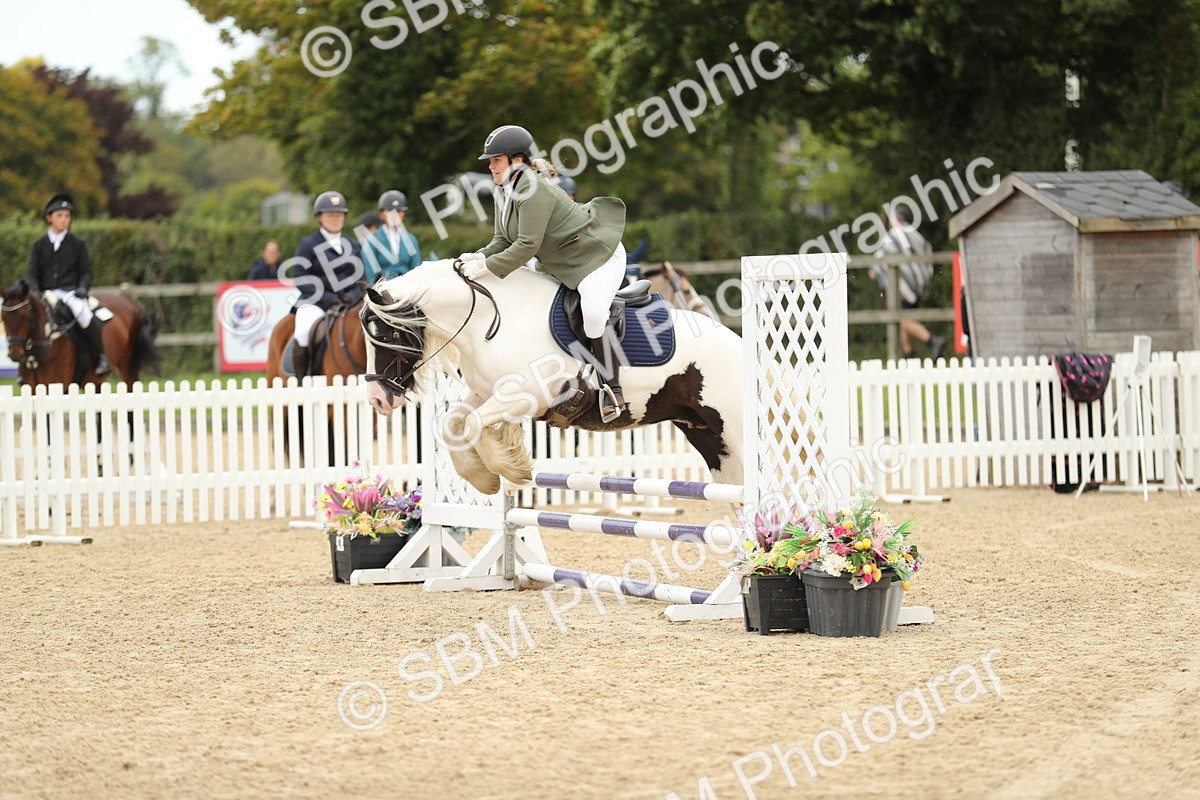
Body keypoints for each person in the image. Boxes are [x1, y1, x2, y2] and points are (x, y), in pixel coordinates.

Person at [457, 124, 628, 422]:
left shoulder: (533, 190)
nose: (490, 166)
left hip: (599, 257)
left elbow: (527, 245)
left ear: (517, 160)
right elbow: (501, 241)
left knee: (593, 313)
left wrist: (485, 268)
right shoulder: (504, 191)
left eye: (496, 160)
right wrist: (475, 257)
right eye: (491, 161)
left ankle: (612, 390)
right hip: (565, 264)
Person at [25, 193, 111, 375]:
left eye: (67, 216)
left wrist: (82, 288)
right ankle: (26, 363)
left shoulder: (78, 243)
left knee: (83, 314)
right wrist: (35, 291)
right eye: (59, 216)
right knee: (28, 319)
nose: (64, 220)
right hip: (45, 293)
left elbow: (86, 271)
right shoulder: (38, 245)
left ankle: (102, 356)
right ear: (49, 218)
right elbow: (32, 273)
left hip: (70, 292)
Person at [287, 191, 365, 378]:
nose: (335, 219)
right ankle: (302, 381)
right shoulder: (308, 244)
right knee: (303, 331)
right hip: (315, 302)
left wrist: (352, 296)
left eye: (339, 215)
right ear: (319, 217)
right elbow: (300, 277)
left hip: (349, 303)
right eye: (330, 215)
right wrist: (329, 298)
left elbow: (361, 278)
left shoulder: (353, 245)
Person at [869, 206, 945, 360]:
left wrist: (875, 271)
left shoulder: (893, 235)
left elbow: (880, 259)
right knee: (905, 320)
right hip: (916, 285)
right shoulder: (916, 234)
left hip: (901, 286)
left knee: (900, 319)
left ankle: (932, 341)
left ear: (897, 218)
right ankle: (908, 356)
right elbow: (927, 253)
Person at [362, 191, 421, 281]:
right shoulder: (371, 241)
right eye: (389, 210)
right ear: (381, 214)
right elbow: (370, 273)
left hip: (407, 285)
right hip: (381, 286)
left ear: (404, 214)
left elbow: (416, 269)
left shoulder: (412, 240)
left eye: (398, 211)